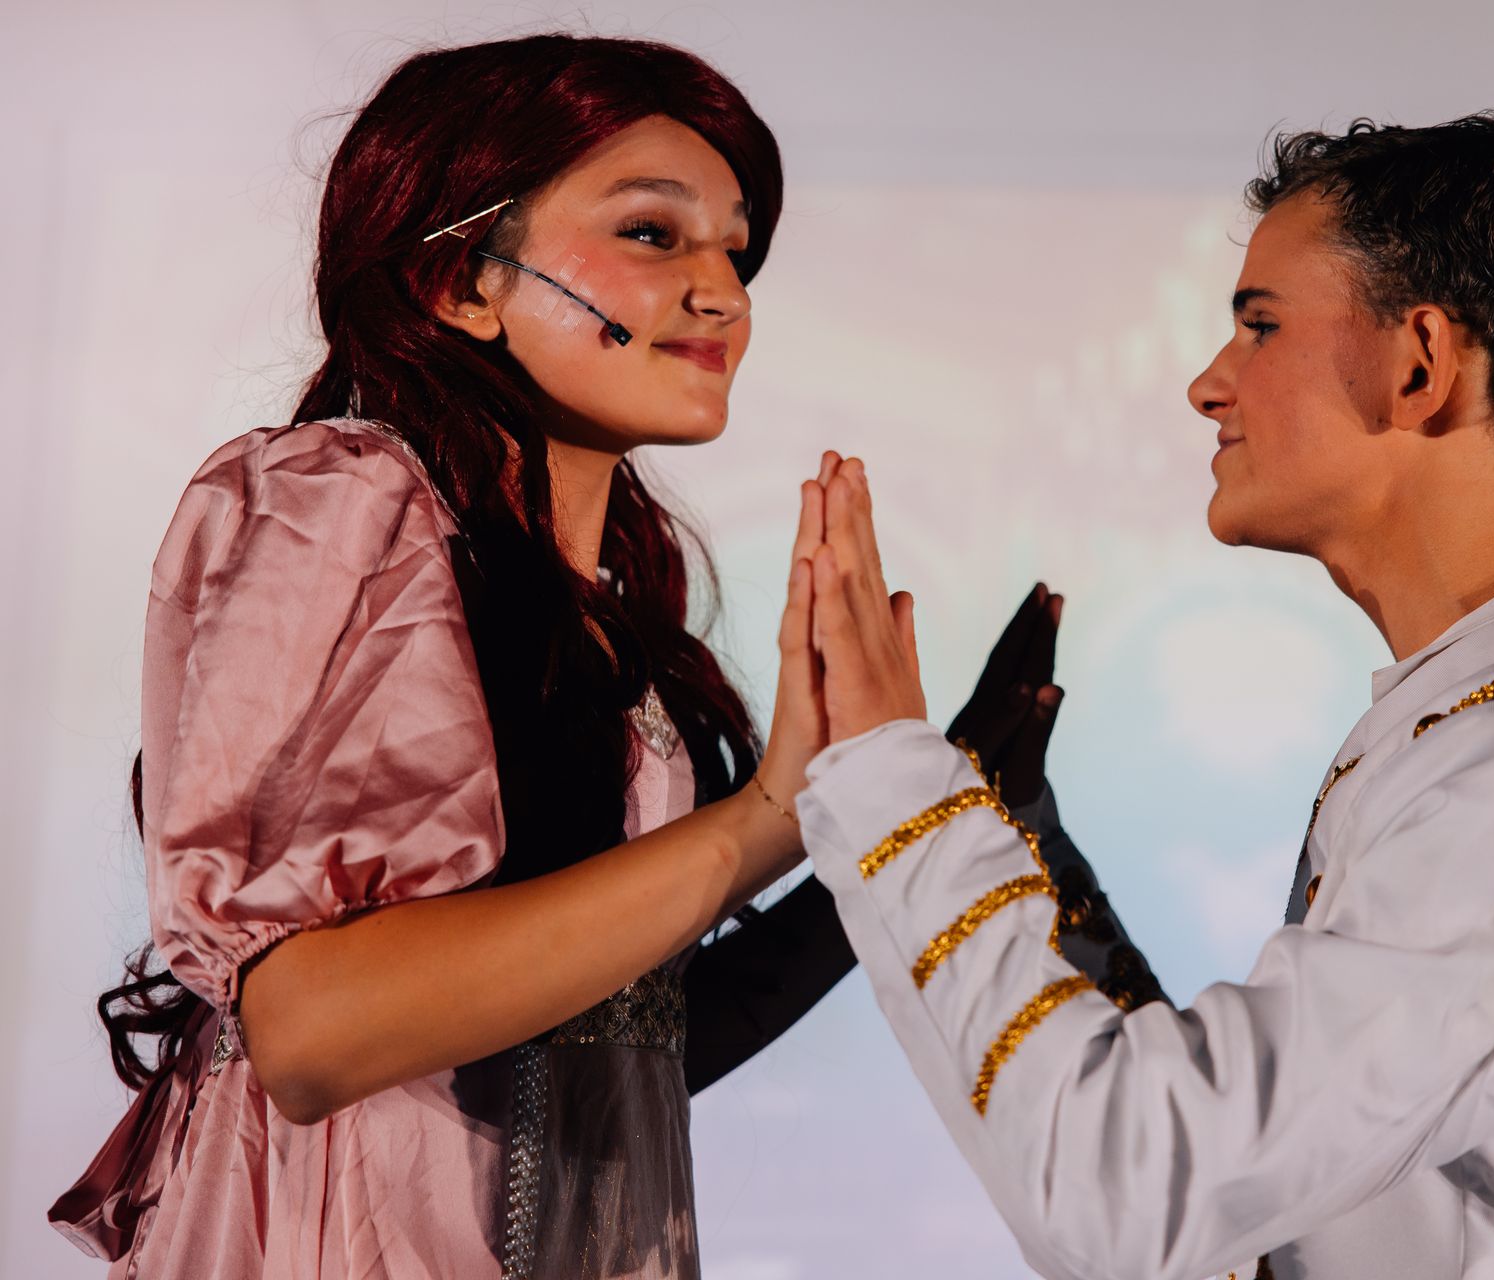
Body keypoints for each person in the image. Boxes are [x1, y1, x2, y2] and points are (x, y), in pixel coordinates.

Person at [48, 33, 1140, 1280]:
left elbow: (616, 1051)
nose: (723, 293)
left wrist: (886, 829)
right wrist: (768, 817)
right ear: (461, 280)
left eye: (736, 250)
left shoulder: (610, 616)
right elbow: (310, 1028)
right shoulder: (337, 497)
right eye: (653, 234)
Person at [790, 115, 1494, 1279]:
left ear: (1419, 363)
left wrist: (891, 778)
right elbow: (1300, 1210)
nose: (1208, 384)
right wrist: (1024, 852)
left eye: (1260, 325)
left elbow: (1126, 1189)